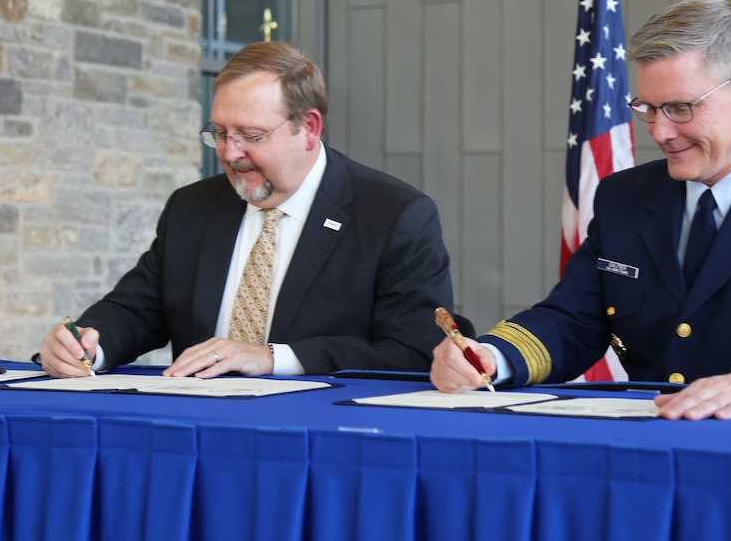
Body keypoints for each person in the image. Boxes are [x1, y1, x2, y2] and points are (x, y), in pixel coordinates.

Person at [431, 0, 731, 419]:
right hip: (645, 447)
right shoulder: (625, 197)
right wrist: (493, 356)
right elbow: (575, 319)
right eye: (647, 108)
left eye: (681, 108)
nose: (658, 133)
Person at [39, 41, 453, 378]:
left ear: (308, 128)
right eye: (219, 133)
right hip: (196, 434)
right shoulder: (193, 207)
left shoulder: (394, 215)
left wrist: (274, 358)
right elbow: (137, 309)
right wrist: (90, 344)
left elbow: (413, 351)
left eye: (250, 135)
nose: (229, 153)